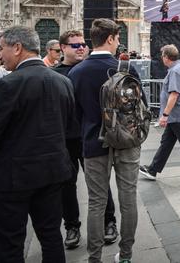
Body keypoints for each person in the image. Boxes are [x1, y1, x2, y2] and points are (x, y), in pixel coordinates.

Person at [0, 26, 74, 262]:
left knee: (9, 242)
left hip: (14, 179)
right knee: (51, 236)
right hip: (53, 173)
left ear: (17, 48)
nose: (0, 55)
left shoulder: (8, 85)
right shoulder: (63, 82)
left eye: (2, 48)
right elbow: (70, 129)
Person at [69, 19, 144, 263]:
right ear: (110, 38)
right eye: (118, 38)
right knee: (128, 198)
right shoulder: (126, 69)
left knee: (96, 202)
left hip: (93, 142)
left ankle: (95, 257)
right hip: (126, 142)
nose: (119, 42)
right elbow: (137, 108)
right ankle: (126, 255)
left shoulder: (76, 72)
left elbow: (75, 114)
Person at [53, 30, 118, 249]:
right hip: (66, 139)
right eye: (75, 45)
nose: (81, 48)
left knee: (99, 183)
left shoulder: (90, 68)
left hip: (90, 136)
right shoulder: (56, 74)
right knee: (67, 184)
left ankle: (110, 222)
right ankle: (72, 226)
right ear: (62, 48)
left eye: (83, 44)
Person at [140, 45, 180, 183]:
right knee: (166, 143)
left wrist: (165, 115)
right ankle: (153, 170)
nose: (161, 58)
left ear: (166, 57)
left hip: (176, 115)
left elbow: (174, 94)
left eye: (162, 56)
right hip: (176, 115)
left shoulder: (175, 71)